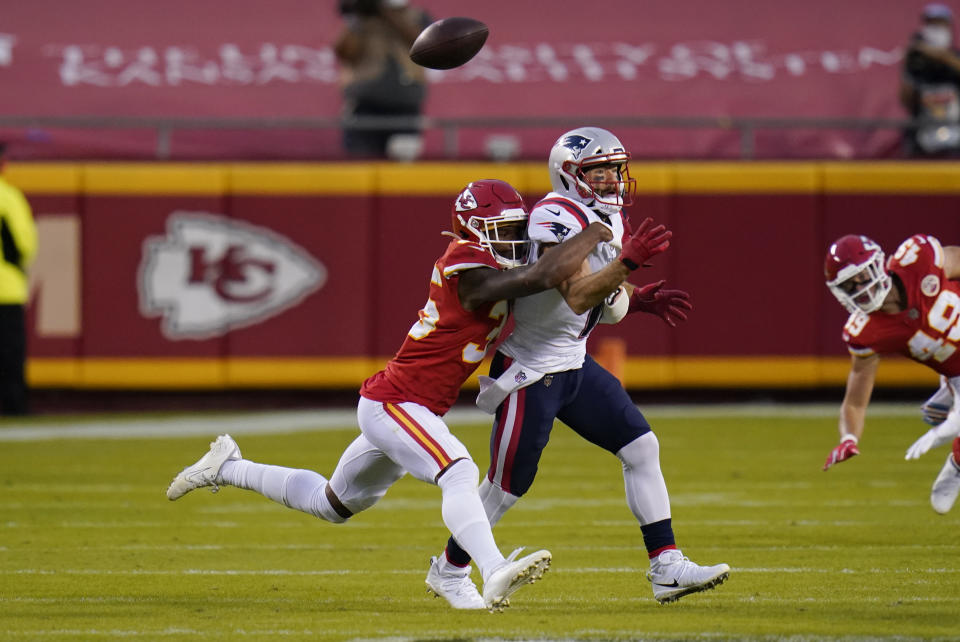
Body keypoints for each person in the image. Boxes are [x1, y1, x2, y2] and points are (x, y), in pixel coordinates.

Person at [166, 179, 617, 611]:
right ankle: (488, 567)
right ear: (473, 230)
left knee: (334, 503)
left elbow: (559, 290)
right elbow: (538, 277)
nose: (516, 239)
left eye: (519, 229)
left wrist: (623, 289)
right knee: (458, 470)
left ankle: (228, 467)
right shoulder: (469, 268)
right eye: (504, 230)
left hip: (413, 406)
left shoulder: (497, 262)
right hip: (395, 403)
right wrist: (595, 228)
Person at [425, 127, 729, 609]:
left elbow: (602, 298)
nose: (612, 180)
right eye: (600, 171)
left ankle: (666, 565)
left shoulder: (605, 216)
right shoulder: (555, 216)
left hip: (573, 364)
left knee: (641, 447)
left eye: (615, 170)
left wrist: (636, 297)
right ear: (571, 175)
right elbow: (578, 293)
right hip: (530, 371)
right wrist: (627, 266)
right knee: (505, 489)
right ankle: (449, 568)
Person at [821, 233, 960, 515]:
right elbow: (855, 400)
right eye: (848, 286)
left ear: (877, 265)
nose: (859, 290)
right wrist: (849, 438)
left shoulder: (918, 258)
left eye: (860, 278)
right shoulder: (867, 331)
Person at [333, 0, 431, 159]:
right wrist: (357, 18)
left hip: (405, 105)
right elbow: (344, 52)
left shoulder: (416, 16)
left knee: (403, 161)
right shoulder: (362, 20)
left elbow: (423, 42)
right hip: (364, 104)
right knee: (361, 160)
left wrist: (390, 15)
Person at [0, 142, 37, 416]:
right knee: (10, 353)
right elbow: (24, 243)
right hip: (6, 288)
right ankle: (14, 407)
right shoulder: (8, 197)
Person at [900, 3, 960, 157]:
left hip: (956, 141)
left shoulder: (955, 58)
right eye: (931, 24)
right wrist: (908, 62)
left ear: (949, 27)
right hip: (924, 142)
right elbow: (906, 101)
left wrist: (940, 56)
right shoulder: (918, 63)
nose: (936, 30)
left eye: (940, 25)